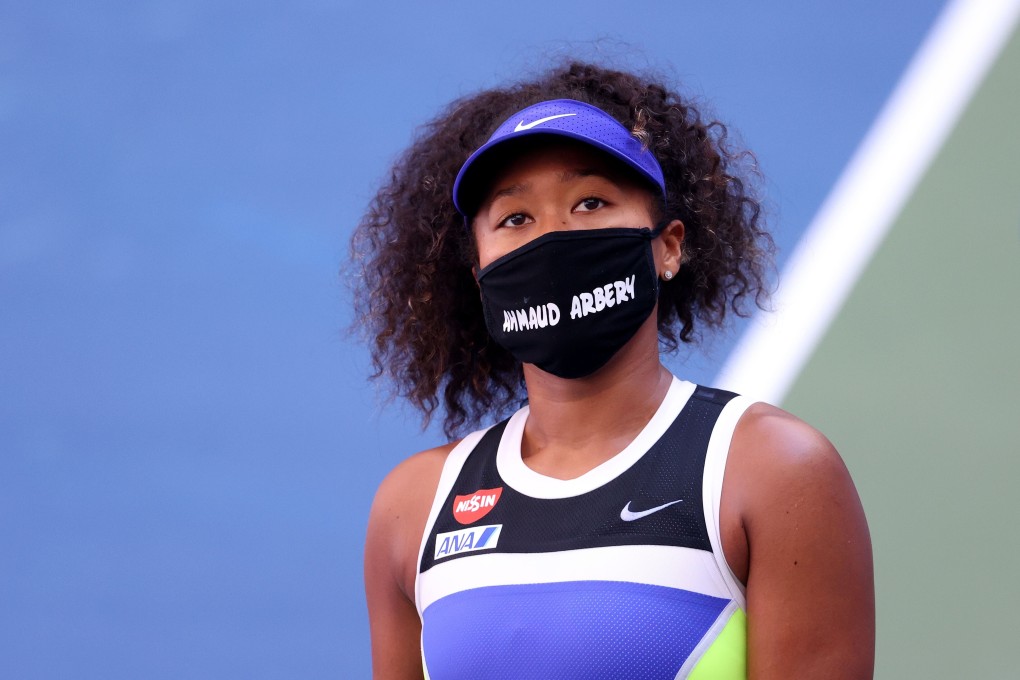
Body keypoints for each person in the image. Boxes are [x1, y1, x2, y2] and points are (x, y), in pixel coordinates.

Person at [354, 61, 874, 679]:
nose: (551, 239)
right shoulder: (414, 507)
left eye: (590, 202)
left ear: (668, 246)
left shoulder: (772, 472)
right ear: (480, 277)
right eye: (515, 218)